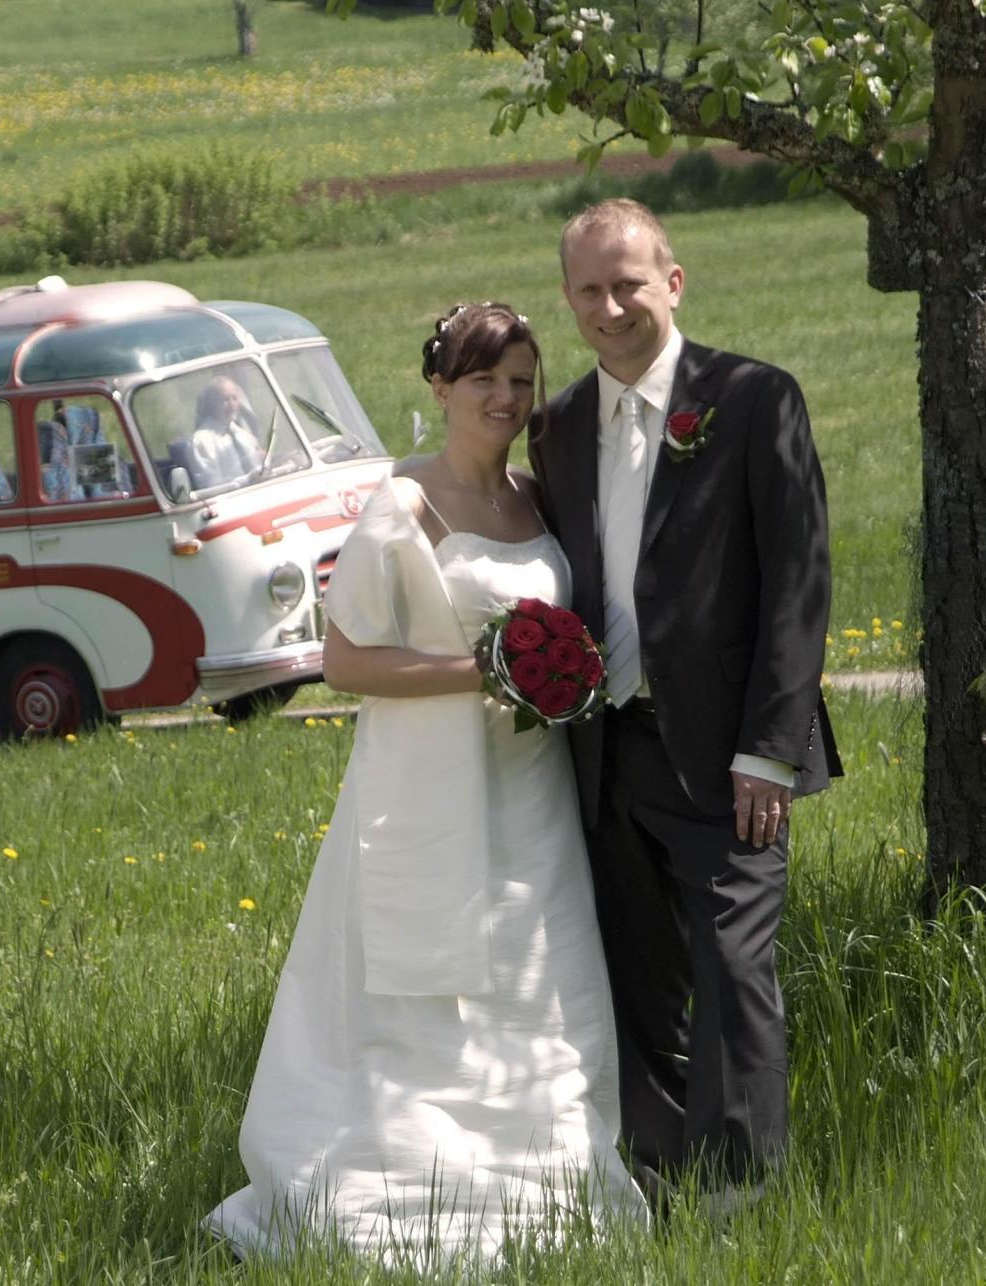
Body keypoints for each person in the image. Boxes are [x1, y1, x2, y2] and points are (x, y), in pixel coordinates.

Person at [205, 304, 644, 1270]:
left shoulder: (539, 498)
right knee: (425, 990)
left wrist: (554, 676)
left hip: (530, 788)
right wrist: (489, 673)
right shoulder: (400, 503)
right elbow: (347, 662)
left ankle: (550, 1179)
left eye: (523, 380)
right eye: (485, 378)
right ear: (440, 388)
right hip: (428, 788)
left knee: (541, 973)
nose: (506, 397)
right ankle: (404, 1172)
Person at [528, 199, 839, 1209]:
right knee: (638, 979)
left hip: (732, 757)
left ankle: (738, 1195)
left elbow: (799, 584)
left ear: (674, 280)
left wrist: (770, 750)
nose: (610, 305)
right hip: (607, 754)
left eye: (628, 282)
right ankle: (659, 1178)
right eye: (589, 288)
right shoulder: (562, 428)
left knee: (735, 968)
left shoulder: (754, 400)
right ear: (569, 297)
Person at [187, 374, 265, 488]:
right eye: (225, 400)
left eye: (234, 398)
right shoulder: (200, 442)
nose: (232, 405)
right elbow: (209, 485)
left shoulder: (244, 434)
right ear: (211, 404)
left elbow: (259, 468)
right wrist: (247, 480)